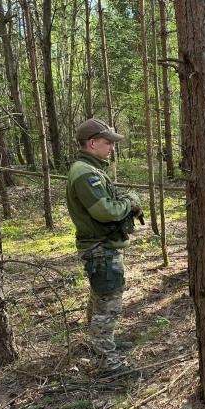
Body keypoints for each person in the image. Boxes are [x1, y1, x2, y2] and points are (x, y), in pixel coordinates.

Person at [66, 118, 143, 377]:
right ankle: (107, 362)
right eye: (107, 142)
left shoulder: (91, 169)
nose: (111, 147)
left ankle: (101, 345)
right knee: (108, 302)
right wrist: (129, 204)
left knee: (100, 297)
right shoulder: (85, 172)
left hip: (102, 245)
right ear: (92, 143)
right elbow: (105, 211)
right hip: (100, 247)